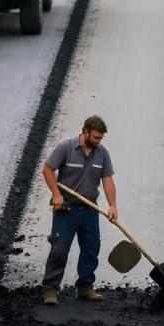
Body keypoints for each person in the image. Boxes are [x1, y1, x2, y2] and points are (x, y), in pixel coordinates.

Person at [42, 115, 118, 305]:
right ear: (85, 132)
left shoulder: (102, 154)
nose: (98, 141)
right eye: (95, 137)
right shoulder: (66, 148)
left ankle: (85, 287)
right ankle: (51, 289)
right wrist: (57, 195)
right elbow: (47, 169)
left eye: (101, 138)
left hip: (89, 209)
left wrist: (112, 205)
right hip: (66, 208)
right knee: (59, 249)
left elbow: (107, 180)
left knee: (91, 248)